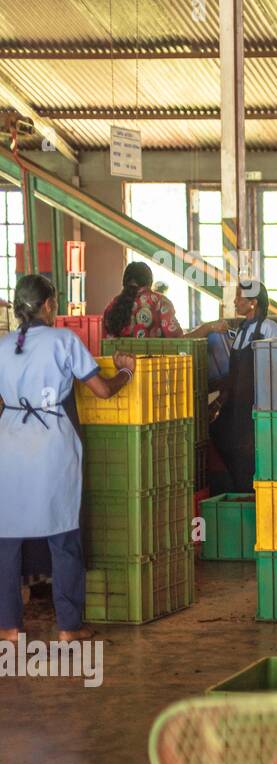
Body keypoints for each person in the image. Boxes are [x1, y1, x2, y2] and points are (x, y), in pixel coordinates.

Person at [0, 274, 137, 643]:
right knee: (62, 535)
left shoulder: (3, 346)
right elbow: (103, 390)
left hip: (9, 443)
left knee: (6, 539)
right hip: (51, 444)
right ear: (47, 305)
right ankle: (68, 627)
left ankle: (9, 627)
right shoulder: (64, 341)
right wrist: (125, 370)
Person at [205, 281, 277, 491]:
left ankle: (252, 491)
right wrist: (219, 398)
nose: (235, 302)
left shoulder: (269, 329)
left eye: (240, 298)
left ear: (253, 303)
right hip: (236, 402)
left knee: (249, 449)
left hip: (256, 402)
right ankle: (241, 487)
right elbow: (235, 373)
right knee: (218, 432)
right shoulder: (241, 330)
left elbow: (274, 369)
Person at [103, 261, 184, 339]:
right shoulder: (161, 302)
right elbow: (176, 338)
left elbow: (105, 341)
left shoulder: (113, 305)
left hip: (117, 353)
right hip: (155, 353)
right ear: (150, 281)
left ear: (125, 282)